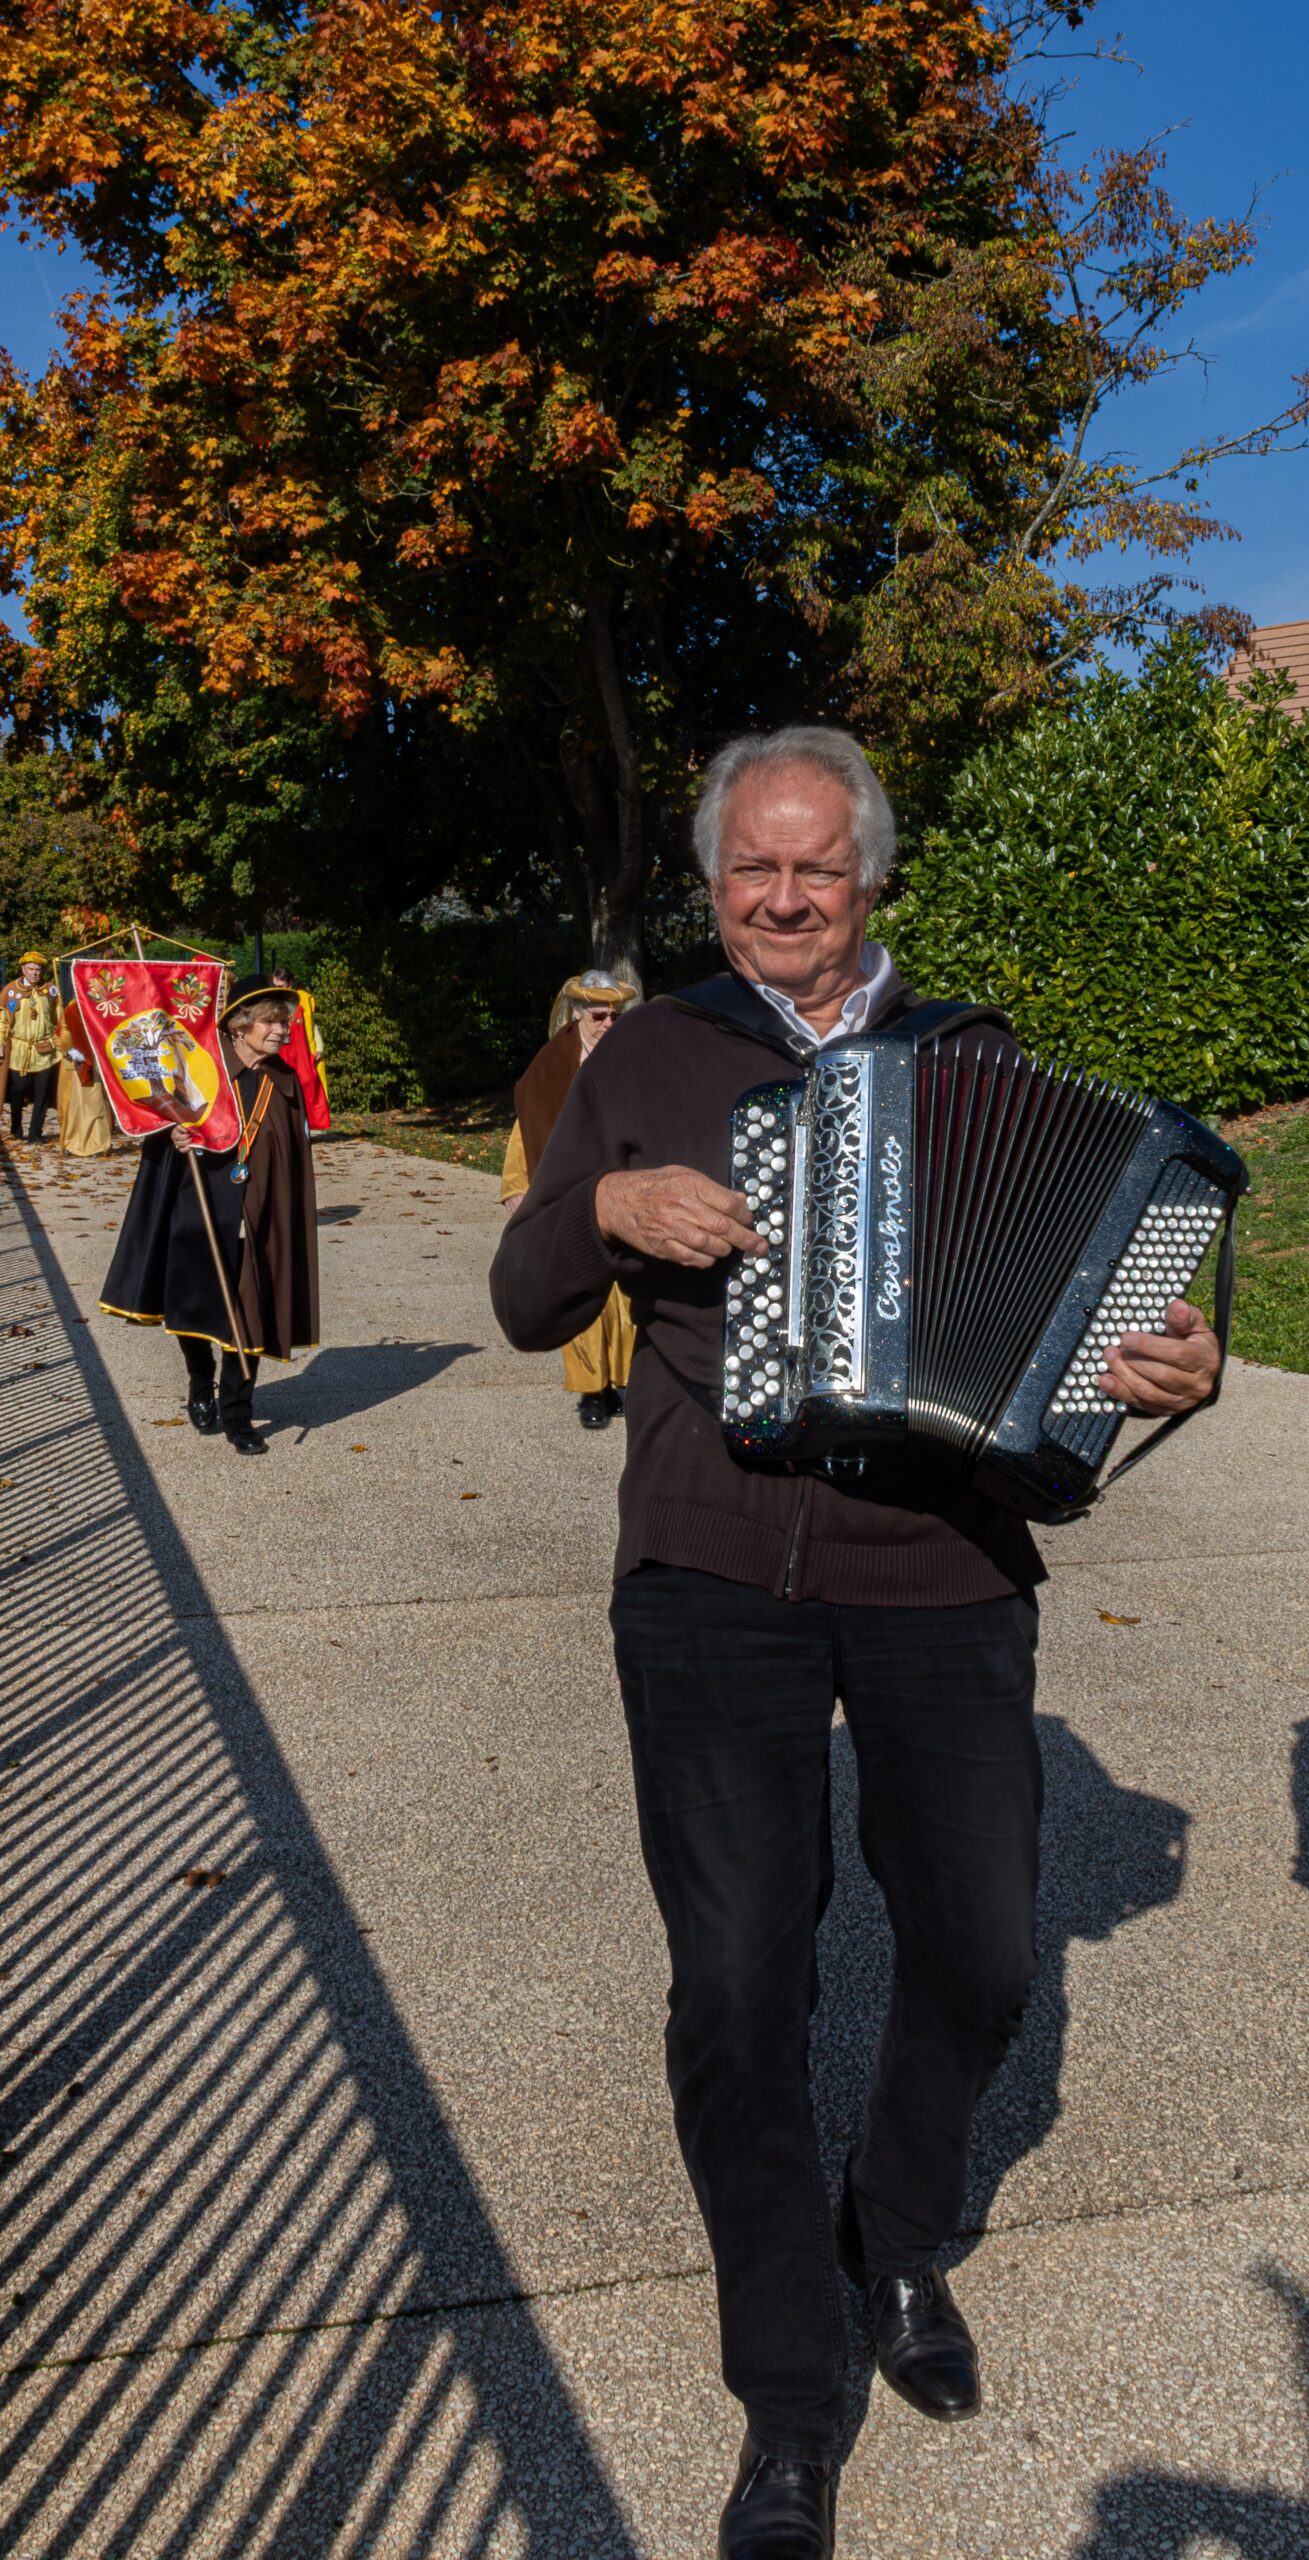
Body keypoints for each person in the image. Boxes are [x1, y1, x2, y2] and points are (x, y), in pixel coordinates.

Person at [490, 730, 1222, 2559]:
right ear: (711, 880)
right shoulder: (646, 1054)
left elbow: (1090, 1322)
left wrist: (1167, 1365)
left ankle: (892, 2241)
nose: (781, 897)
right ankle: (788, 2390)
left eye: (815, 867)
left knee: (981, 1954)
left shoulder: (972, 1059)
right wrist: (602, 1207)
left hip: (941, 1563)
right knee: (738, 1988)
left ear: (871, 879)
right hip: (709, 1567)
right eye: (751, 867)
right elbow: (521, 1296)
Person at [101, 975, 319, 1455]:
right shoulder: (201, 1068)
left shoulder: (284, 1081)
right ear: (240, 1025)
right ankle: (201, 1381)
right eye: (270, 1022)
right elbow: (160, 1119)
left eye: (283, 1022)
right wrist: (173, 1136)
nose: (280, 1031)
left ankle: (238, 1413)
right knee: (192, 1304)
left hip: (257, 1214)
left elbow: (291, 1155)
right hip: (199, 1205)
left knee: (248, 1314)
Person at [501, 968, 638, 1428]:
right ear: (578, 1014)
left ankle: (626, 1381)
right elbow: (528, 1123)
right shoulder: (550, 1068)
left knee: (628, 1294)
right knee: (584, 1289)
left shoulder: (632, 1058)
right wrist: (516, 1185)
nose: (608, 1024)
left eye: (615, 1016)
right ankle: (591, 1391)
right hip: (570, 1194)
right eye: (599, 1016)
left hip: (622, 1186)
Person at [0, 952, 61, 1142]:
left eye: (38, 969)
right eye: (31, 969)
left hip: (44, 1050)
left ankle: (35, 1133)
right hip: (19, 1051)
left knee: (42, 1094)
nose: (34, 973)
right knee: (17, 1090)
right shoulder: (11, 991)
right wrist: (0, 1041)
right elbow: (2, 1020)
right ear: (23, 969)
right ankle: (16, 1129)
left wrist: (63, 1041)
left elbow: (60, 1018)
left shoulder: (50, 990)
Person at [55, 988, 114, 1158]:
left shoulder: (101, 1010)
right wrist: (70, 1050)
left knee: (96, 1104)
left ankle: (98, 1144)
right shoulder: (70, 1010)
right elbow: (58, 1036)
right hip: (74, 1065)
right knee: (74, 1106)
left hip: (94, 1064)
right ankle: (72, 1142)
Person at [271, 966, 331, 1130]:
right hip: (280, 1053)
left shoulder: (301, 1001)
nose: (279, 989)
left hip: (300, 1054)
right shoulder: (270, 1003)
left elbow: (311, 1026)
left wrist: (319, 1046)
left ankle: (305, 1127)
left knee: (307, 1085)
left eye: (282, 986)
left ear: (290, 984)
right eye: (276, 986)